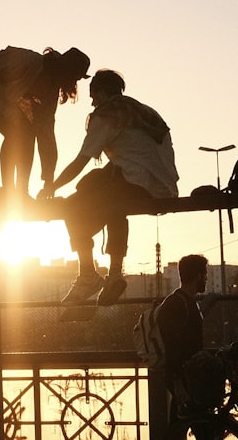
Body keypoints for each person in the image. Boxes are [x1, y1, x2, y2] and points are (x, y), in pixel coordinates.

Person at [40, 69, 178, 306]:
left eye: (93, 97)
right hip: (163, 187)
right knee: (112, 203)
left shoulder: (108, 115)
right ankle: (114, 274)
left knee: (72, 206)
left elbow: (80, 161)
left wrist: (51, 186)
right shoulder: (145, 111)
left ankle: (88, 275)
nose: (92, 103)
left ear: (102, 93)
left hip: (136, 181)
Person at [0, 46, 90, 194]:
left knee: (27, 132)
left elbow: (46, 133)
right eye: (75, 77)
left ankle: (21, 190)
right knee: (18, 132)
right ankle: (10, 190)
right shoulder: (28, 62)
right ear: (65, 72)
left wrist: (49, 179)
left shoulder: (50, 94)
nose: (74, 82)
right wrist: (10, 112)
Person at [156, 254, 212, 438]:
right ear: (197, 276)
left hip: (189, 376)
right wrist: (178, 383)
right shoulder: (176, 304)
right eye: (205, 275)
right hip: (185, 377)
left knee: (181, 426)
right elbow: (172, 346)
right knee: (200, 426)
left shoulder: (183, 302)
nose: (206, 279)